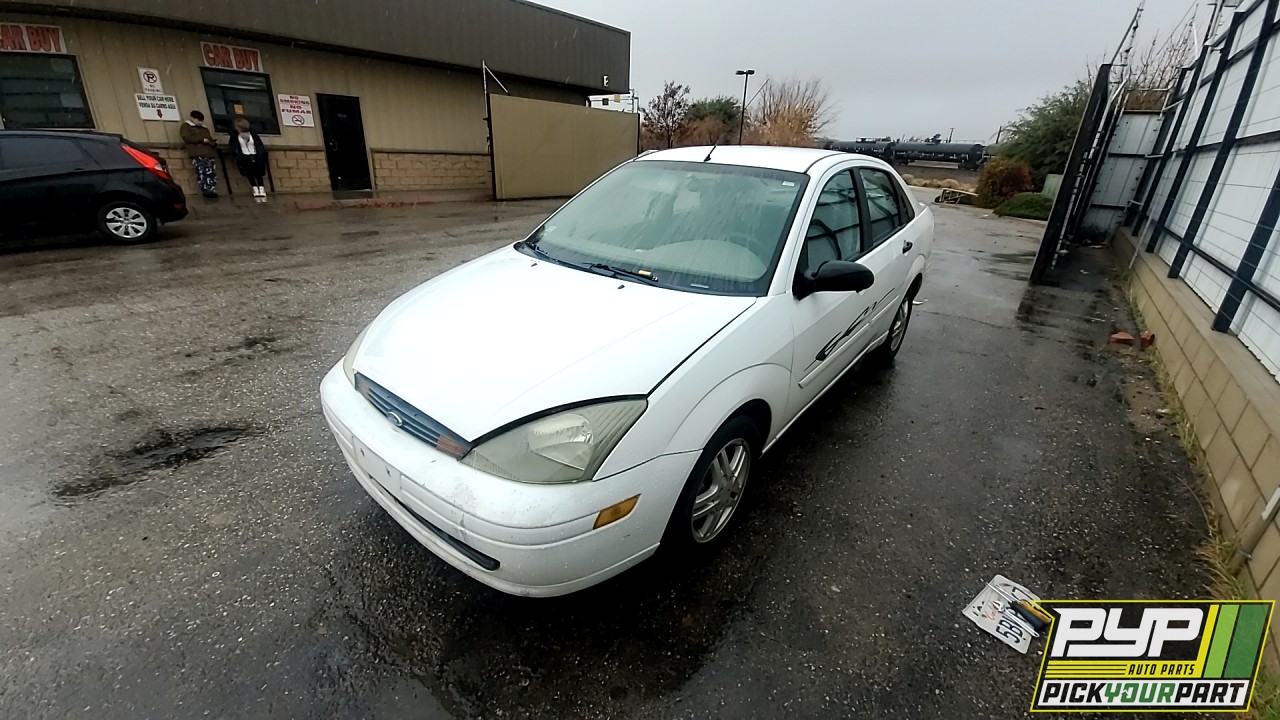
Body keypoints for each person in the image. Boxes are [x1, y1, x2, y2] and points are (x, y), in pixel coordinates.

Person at [228, 117, 269, 200]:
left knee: (258, 172)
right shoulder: (235, 136)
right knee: (249, 173)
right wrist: (236, 155)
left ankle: (261, 189)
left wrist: (261, 153)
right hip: (244, 155)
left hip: (255, 154)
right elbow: (233, 146)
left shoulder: (253, 134)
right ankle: (255, 189)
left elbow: (259, 145)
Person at [179, 110, 218, 198]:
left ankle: (212, 189)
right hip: (197, 153)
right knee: (201, 172)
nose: (200, 122)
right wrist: (201, 140)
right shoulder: (186, 127)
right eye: (198, 120)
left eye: (201, 121)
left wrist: (212, 143)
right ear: (192, 118)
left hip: (208, 153)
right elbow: (187, 138)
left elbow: (209, 138)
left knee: (211, 173)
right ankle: (205, 191)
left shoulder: (204, 128)